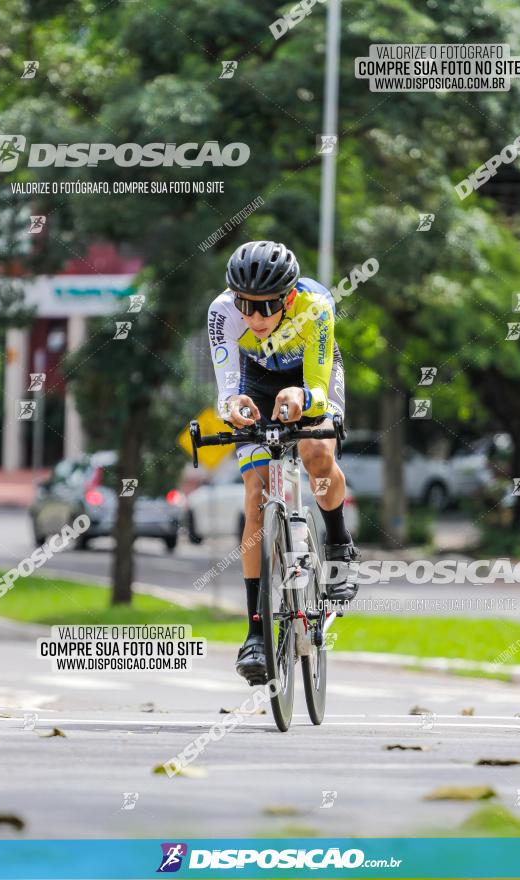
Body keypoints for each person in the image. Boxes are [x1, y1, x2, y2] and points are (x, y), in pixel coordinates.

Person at [207, 240, 359, 684]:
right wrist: (232, 408)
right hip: (255, 380)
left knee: (316, 452)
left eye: (267, 306)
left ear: (288, 297)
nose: (254, 318)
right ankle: (256, 630)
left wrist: (305, 398)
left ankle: (337, 542)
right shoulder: (222, 312)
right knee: (256, 493)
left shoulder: (315, 304)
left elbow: (316, 382)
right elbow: (227, 387)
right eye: (245, 306)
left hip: (309, 378)